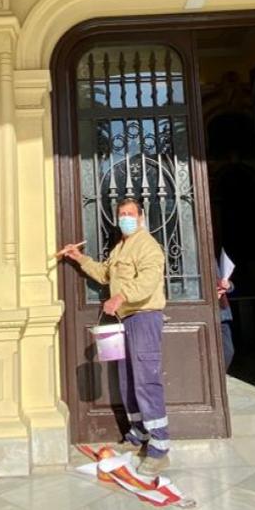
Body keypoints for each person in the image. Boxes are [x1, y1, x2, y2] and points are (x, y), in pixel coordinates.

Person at [57, 198, 171, 477]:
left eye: (130, 214)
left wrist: (121, 297)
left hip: (143, 316)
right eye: (121, 214)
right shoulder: (121, 246)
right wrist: (78, 258)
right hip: (125, 320)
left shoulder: (147, 245)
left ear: (141, 217)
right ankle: (139, 435)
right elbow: (105, 274)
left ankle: (160, 448)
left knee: (146, 380)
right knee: (128, 379)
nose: (125, 218)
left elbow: (148, 281)